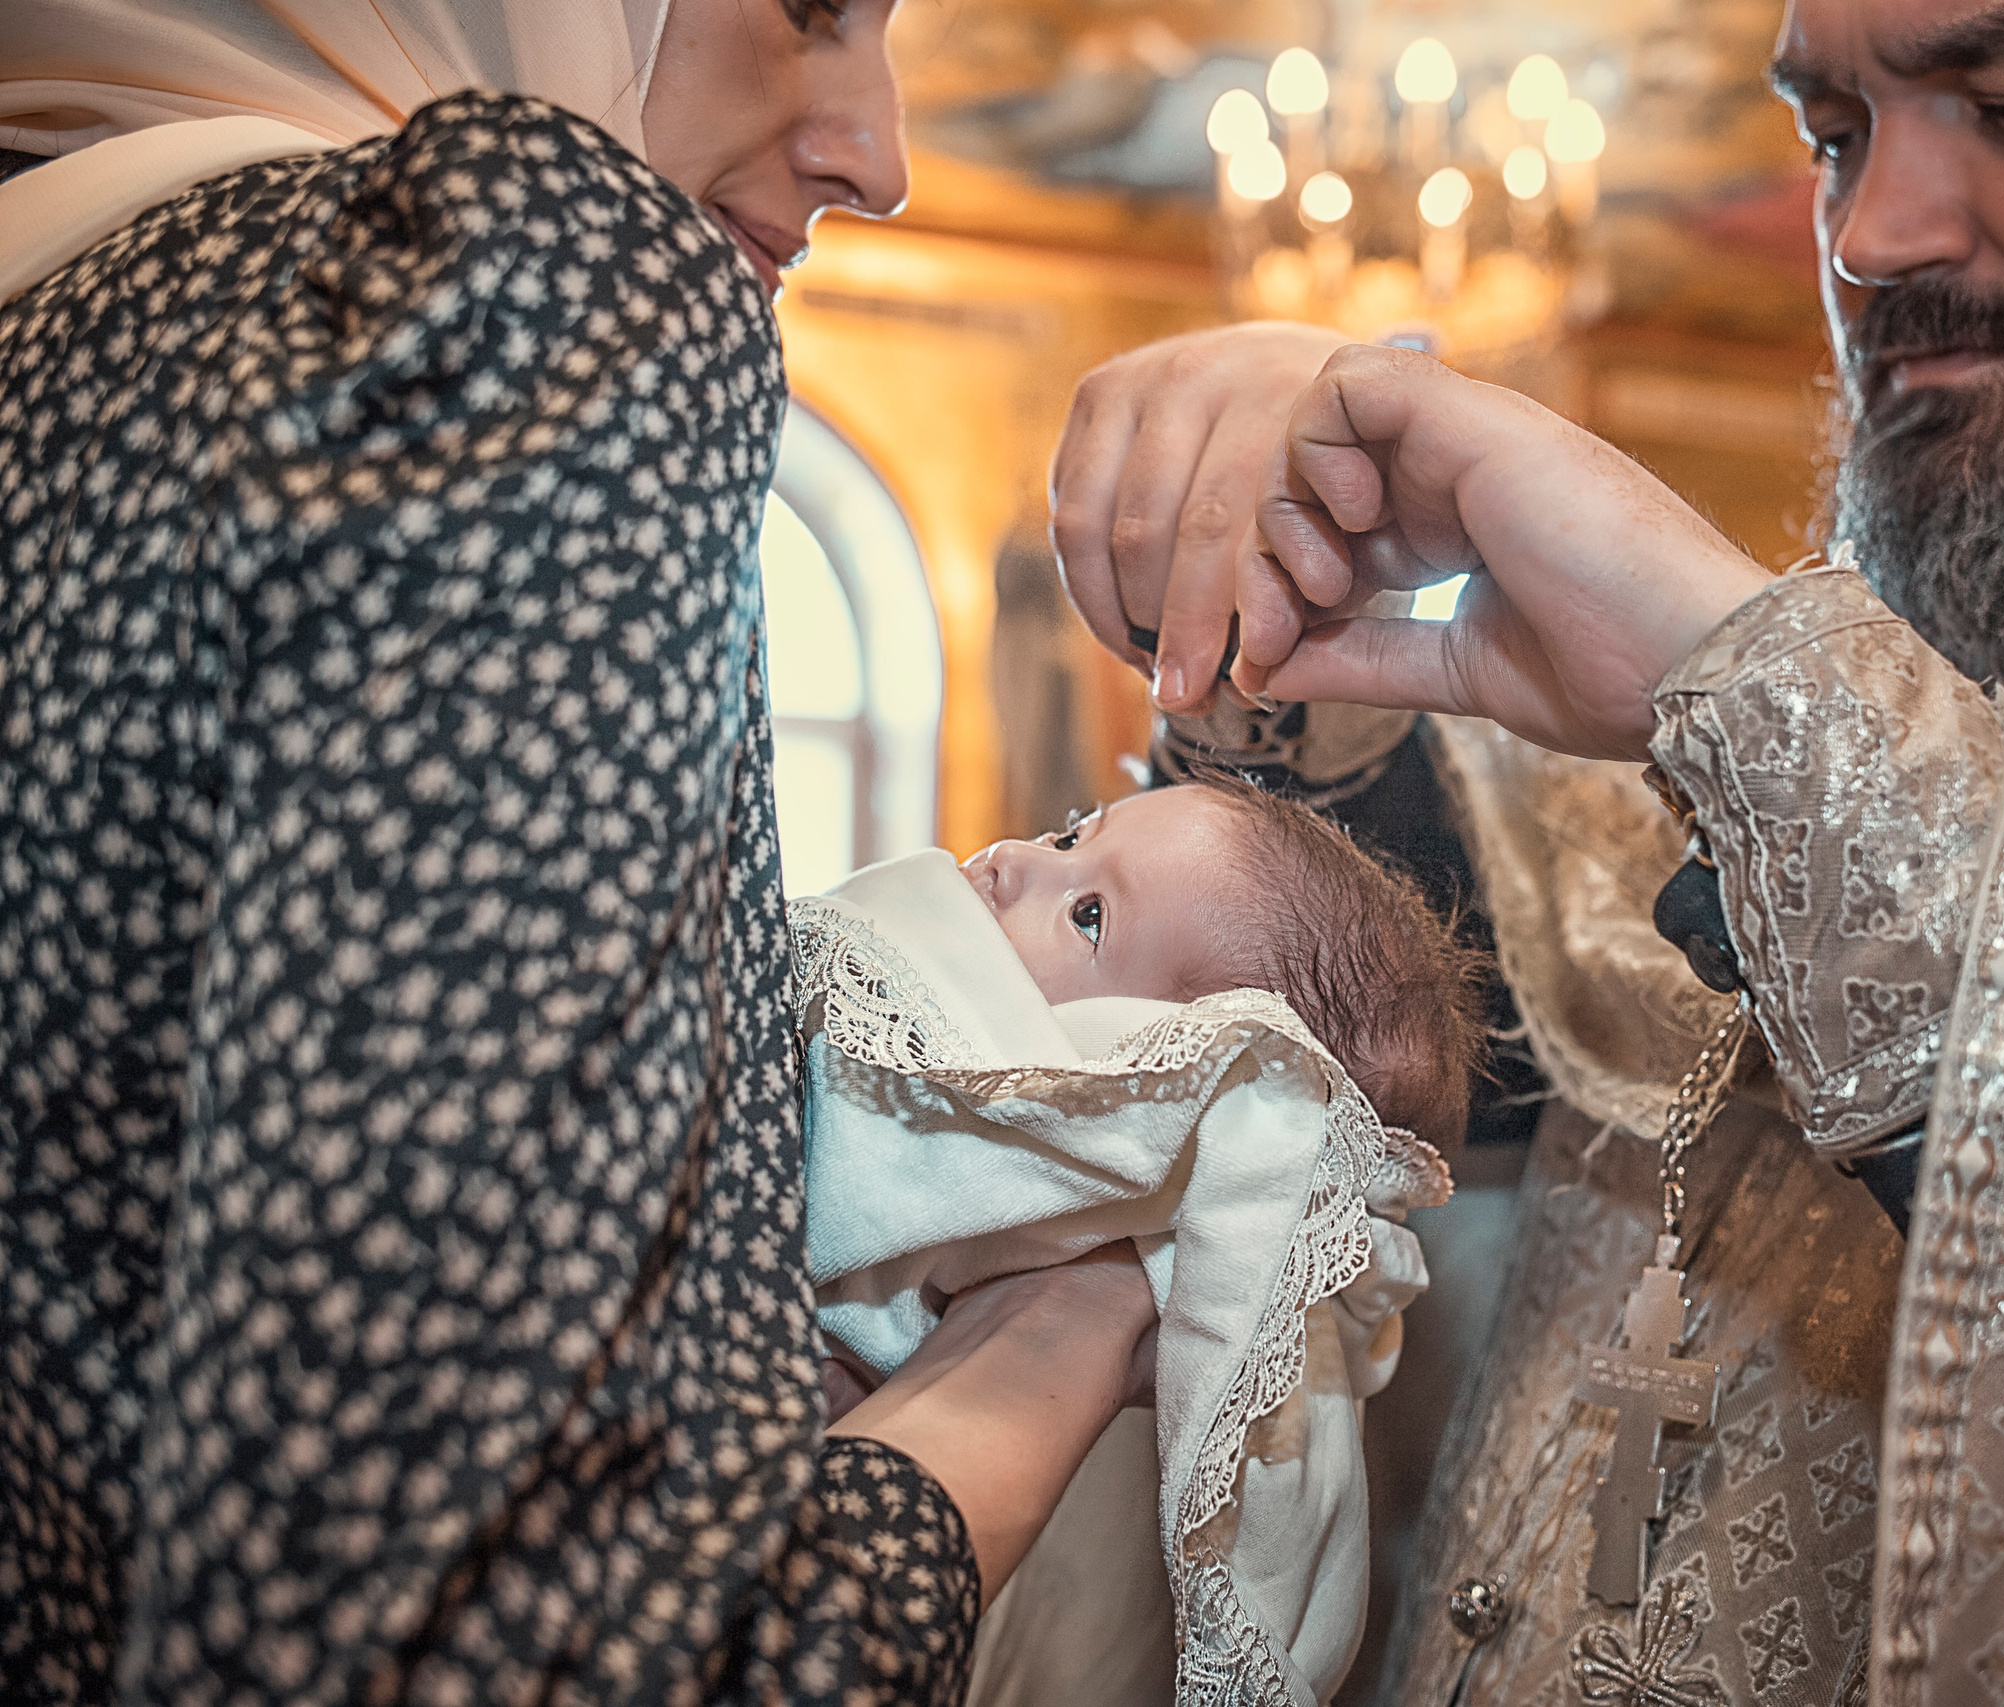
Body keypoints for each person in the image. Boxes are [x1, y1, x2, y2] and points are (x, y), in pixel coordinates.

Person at [1049, 0, 2004, 1700]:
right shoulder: (1974, 573)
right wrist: (1295, 561)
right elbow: (1491, 1002)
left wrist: (1762, 693)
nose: (1867, 235)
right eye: (1834, 131)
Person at [0, 5, 1154, 1704]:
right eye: (813, 7)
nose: (881, 155)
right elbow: (512, 1660)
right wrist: (1043, 1360)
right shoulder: (504, 298)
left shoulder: (76, 319)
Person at [790, 779, 1486, 1705]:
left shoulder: (1080, 1133)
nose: (1011, 859)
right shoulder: (916, 1009)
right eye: (1070, 830)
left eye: (1088, 915)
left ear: (1179, 1066)